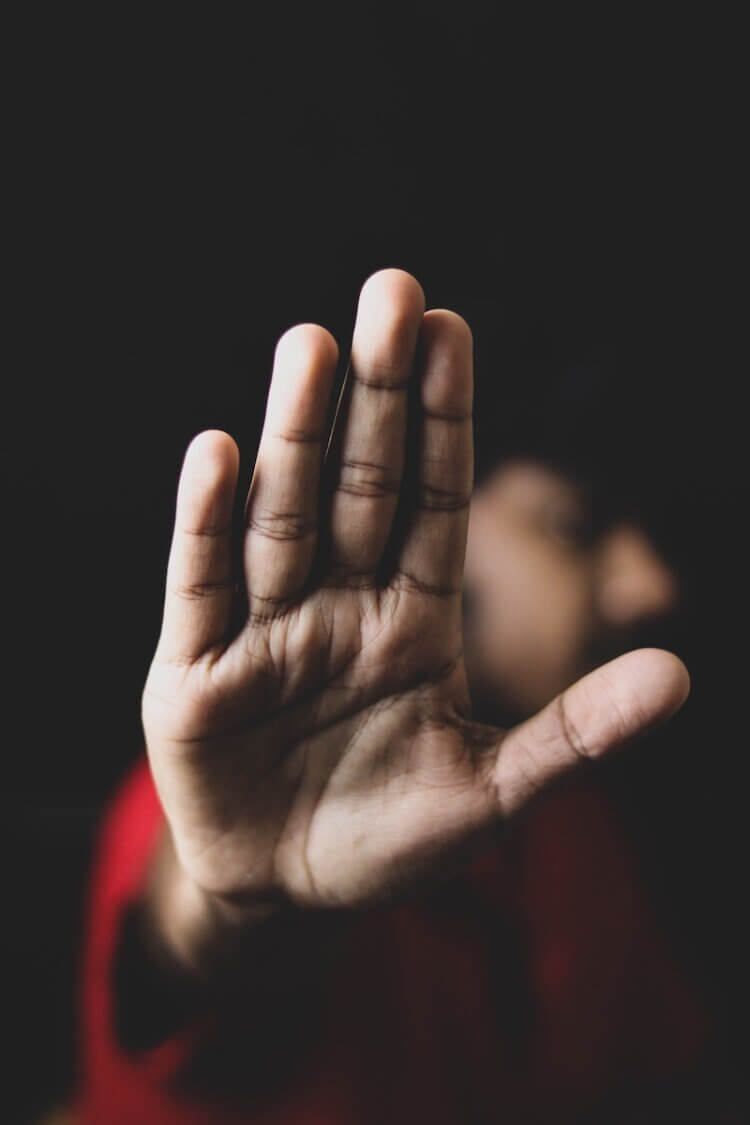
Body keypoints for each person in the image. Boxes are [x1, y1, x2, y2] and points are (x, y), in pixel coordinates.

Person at [75, 269, 710, 1123]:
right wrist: (237, 904)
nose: (649, 586)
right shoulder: (223, 784)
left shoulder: (576, 824)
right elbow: (184, 981)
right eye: (577, 525)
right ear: (428, 507)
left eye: (652, 538)